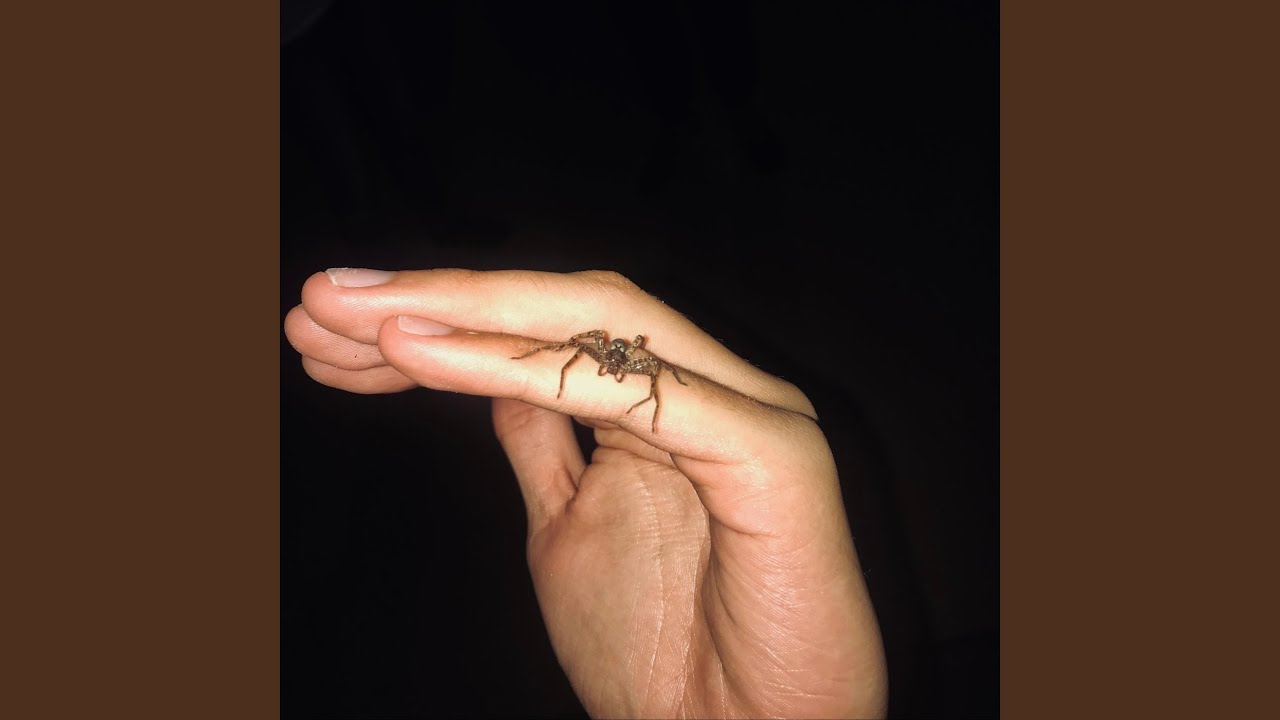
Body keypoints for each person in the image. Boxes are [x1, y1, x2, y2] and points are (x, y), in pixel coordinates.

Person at [285, 267, 889, 718]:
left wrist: (656, 397)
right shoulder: (599, 348)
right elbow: (591, 342)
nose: (616, 361)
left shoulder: (638, 361)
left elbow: (650, 365)